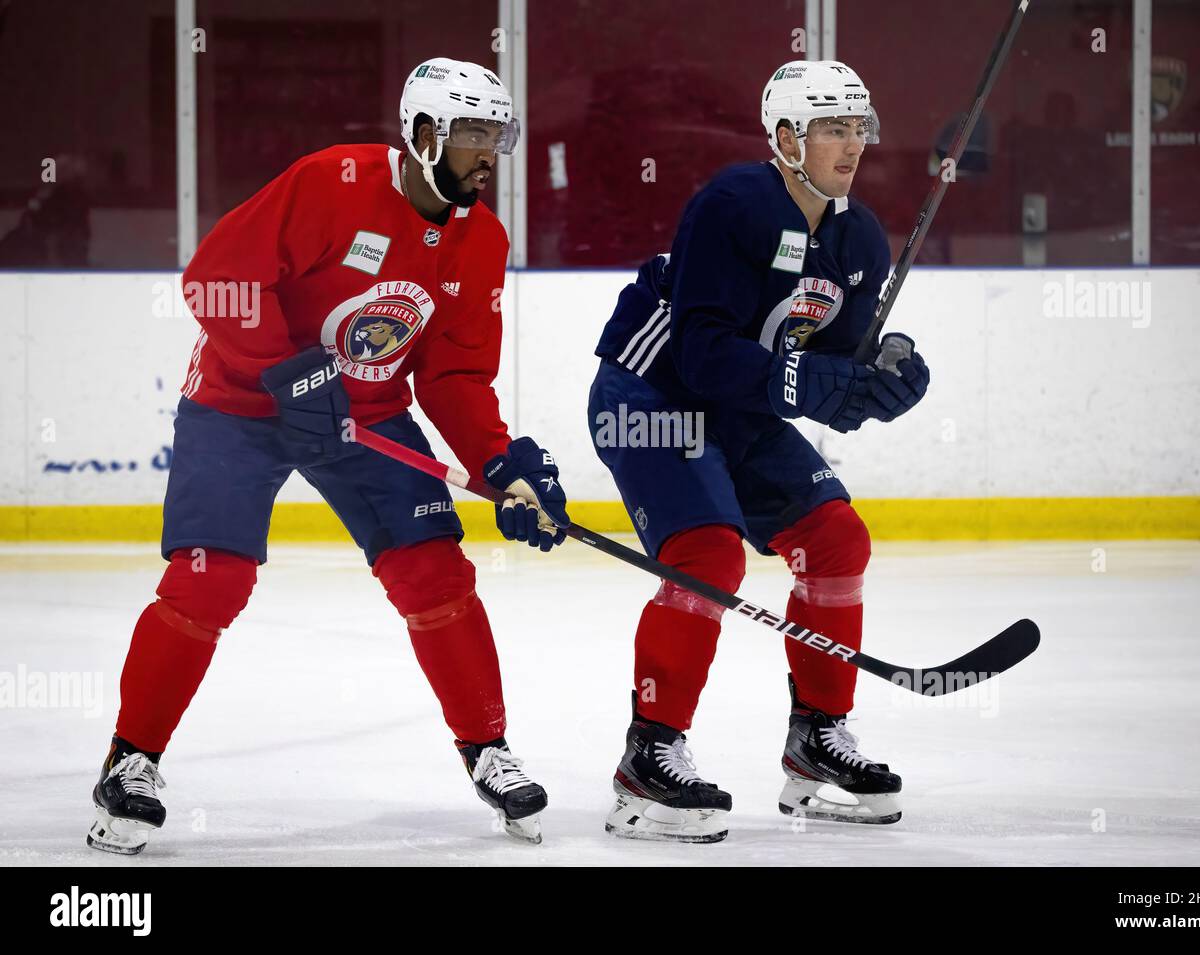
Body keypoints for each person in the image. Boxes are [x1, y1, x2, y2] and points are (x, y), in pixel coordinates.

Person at [88, 58, 568, 854]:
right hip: (239, 406)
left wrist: (499, 466)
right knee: (211, 578)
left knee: (436, 572)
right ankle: (130, 763)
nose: (489, 154)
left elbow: (452, 374)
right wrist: (290, 370)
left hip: (368, 418)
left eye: (497, 136)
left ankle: (488, 748)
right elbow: (217, 279)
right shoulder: (332, 180)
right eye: (472, 136)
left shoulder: (480, 239)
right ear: (422, 136)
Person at [588, 60, 930, 843]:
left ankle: (816, 742)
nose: (850, 145)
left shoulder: (860, 241)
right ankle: (650, 754)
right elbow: (705, 356)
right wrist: (815, 381)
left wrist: (882, 379)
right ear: (785, 138)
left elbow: (826, 374)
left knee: (837, 539)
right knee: (709, 557)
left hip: (734, 412)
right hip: (653, 395)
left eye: (856, 128)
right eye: (830, 129)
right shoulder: (733, 204)